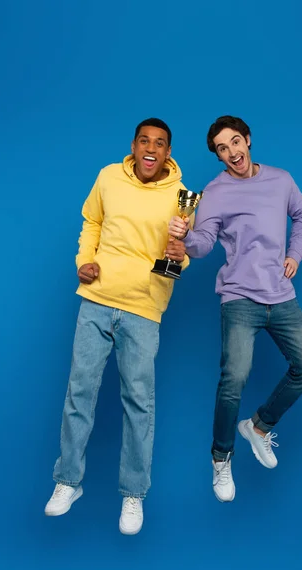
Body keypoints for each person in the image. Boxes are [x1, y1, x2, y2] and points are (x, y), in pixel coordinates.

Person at [45, 118, 189, 534]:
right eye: (144, 140)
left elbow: (182, 256)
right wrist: (82, 262)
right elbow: (91, 222)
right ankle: (67, 482)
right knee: (79, 393)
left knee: (139, 403)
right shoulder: (109, 176)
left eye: (159, 144)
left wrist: (179, 253)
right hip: (95, 300)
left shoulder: (182, 197)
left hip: (144, 309)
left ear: (167, 152)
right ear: (134, 145)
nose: (151, 148)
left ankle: (133, 494)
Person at [169, 115, 302, 502]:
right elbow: (203, 243)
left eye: (236, 142)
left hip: (281, 295)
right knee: (234, 379)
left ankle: (259, 426)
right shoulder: (215, 192)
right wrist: (185, 240)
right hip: (239, 297)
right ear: (218, 155)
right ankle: (221, 458)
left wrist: (295, 254)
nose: (232, 151)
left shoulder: (281, 180)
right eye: (223, 148)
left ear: (248, 140)